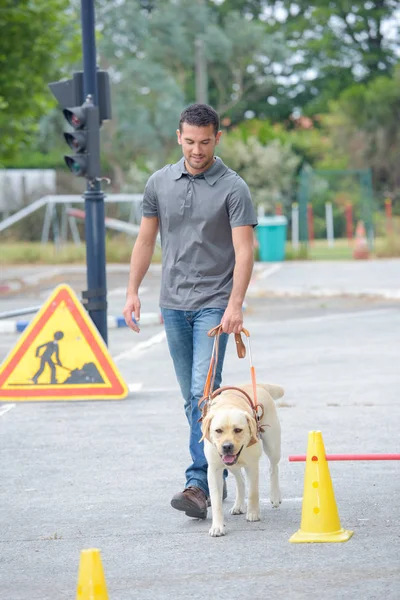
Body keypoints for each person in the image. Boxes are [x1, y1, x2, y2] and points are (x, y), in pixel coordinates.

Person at [123, 103, 257, 519]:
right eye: (190, 141)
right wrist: (132, 291)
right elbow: (145, 241)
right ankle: (222, 462)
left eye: (205, 142)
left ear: (217, 138)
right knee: (191, 399)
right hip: (173, 304)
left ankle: (197, 483)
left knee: (202, 392)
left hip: (214, 305)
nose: (196, 150)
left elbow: (244, 249)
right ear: (178, 137)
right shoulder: (159, 182)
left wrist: (235, 304)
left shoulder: (234, 188)